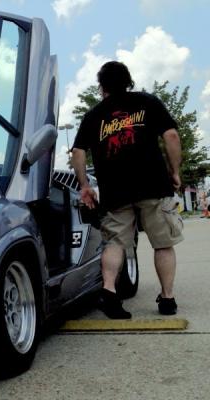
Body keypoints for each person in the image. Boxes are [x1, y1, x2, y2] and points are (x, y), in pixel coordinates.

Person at [71, 61, 184, 319]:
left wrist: (85, 186)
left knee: (115, 244)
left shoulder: (93, 115)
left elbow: (78, 152)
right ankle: (167, 299)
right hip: (153, 186)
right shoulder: (148, 102)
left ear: (102, 87)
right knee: (163, 244)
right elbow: (172, 137)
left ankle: (109, 293)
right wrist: (174, 171)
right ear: (128, 81)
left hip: (115, 192)